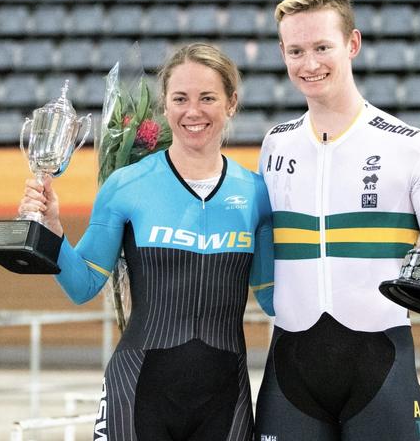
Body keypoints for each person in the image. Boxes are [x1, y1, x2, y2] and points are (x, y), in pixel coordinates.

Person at [254, 0, 420, 441]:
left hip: (381, 367)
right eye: (296, 51)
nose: (309, 63)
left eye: (323, 47)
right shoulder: (274, 144)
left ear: (352, 44)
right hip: (290, 369)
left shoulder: (411, 145)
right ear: (282, 52)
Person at [20, 42, 274, 441]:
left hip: (226, 399)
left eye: (208, 97)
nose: (193, 111)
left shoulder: (257, 193)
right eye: (180, 98)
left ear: (231, 103)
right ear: (165, 105)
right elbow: (82, 285)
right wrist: (52, 229)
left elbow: (276, 299)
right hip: (137, 393)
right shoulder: (127, 185)